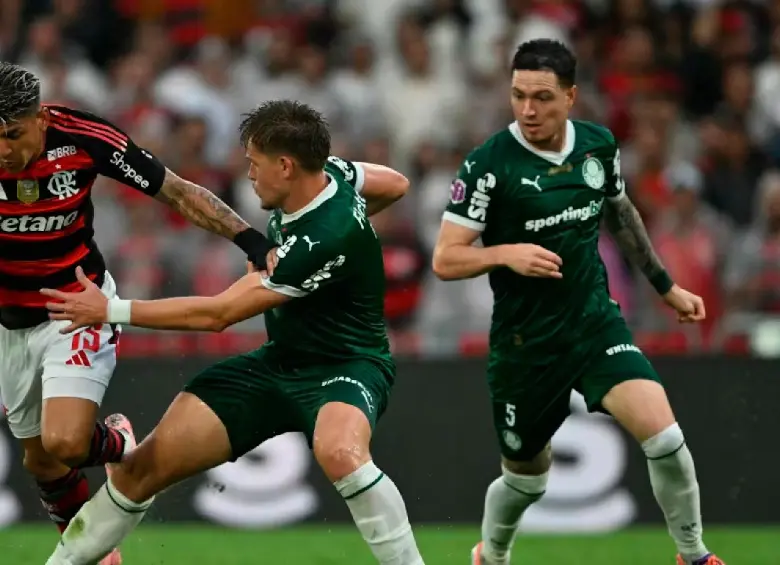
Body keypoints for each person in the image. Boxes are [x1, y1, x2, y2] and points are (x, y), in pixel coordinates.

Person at [41, 100, 425, 565]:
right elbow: (396, 183)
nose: (249, 175)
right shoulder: (332, 174)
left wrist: (111, 309)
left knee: (340, 452)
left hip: (347, 366)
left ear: (285, 166)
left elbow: (217, 315)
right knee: (139, 472)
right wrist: (351, 239)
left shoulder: (321, 239)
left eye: (253, 164)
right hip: (278, 362)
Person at [431, 40, 725, 565]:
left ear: (570, 96)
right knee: (526, 481)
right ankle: (492, 555)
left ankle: (694, 555)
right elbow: (445, 259)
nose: (527, 110)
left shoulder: (598, 147)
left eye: (542, 97)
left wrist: (666, 286)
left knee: (666, 438)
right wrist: (506, 253)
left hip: (594, 326)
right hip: (526, 346)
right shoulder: (487, 165)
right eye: (518, 95)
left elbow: (621, 213)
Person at [0, 62, 273, 565]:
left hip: (75, 307)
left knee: (64, 441)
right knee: (40, 460)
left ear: (39, 118)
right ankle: (97, 549)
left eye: (12, 135)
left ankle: (115, 449)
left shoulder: (83, 137)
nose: (3, 151)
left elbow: (175, 191)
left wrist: (250, 238)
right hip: (8, 325)